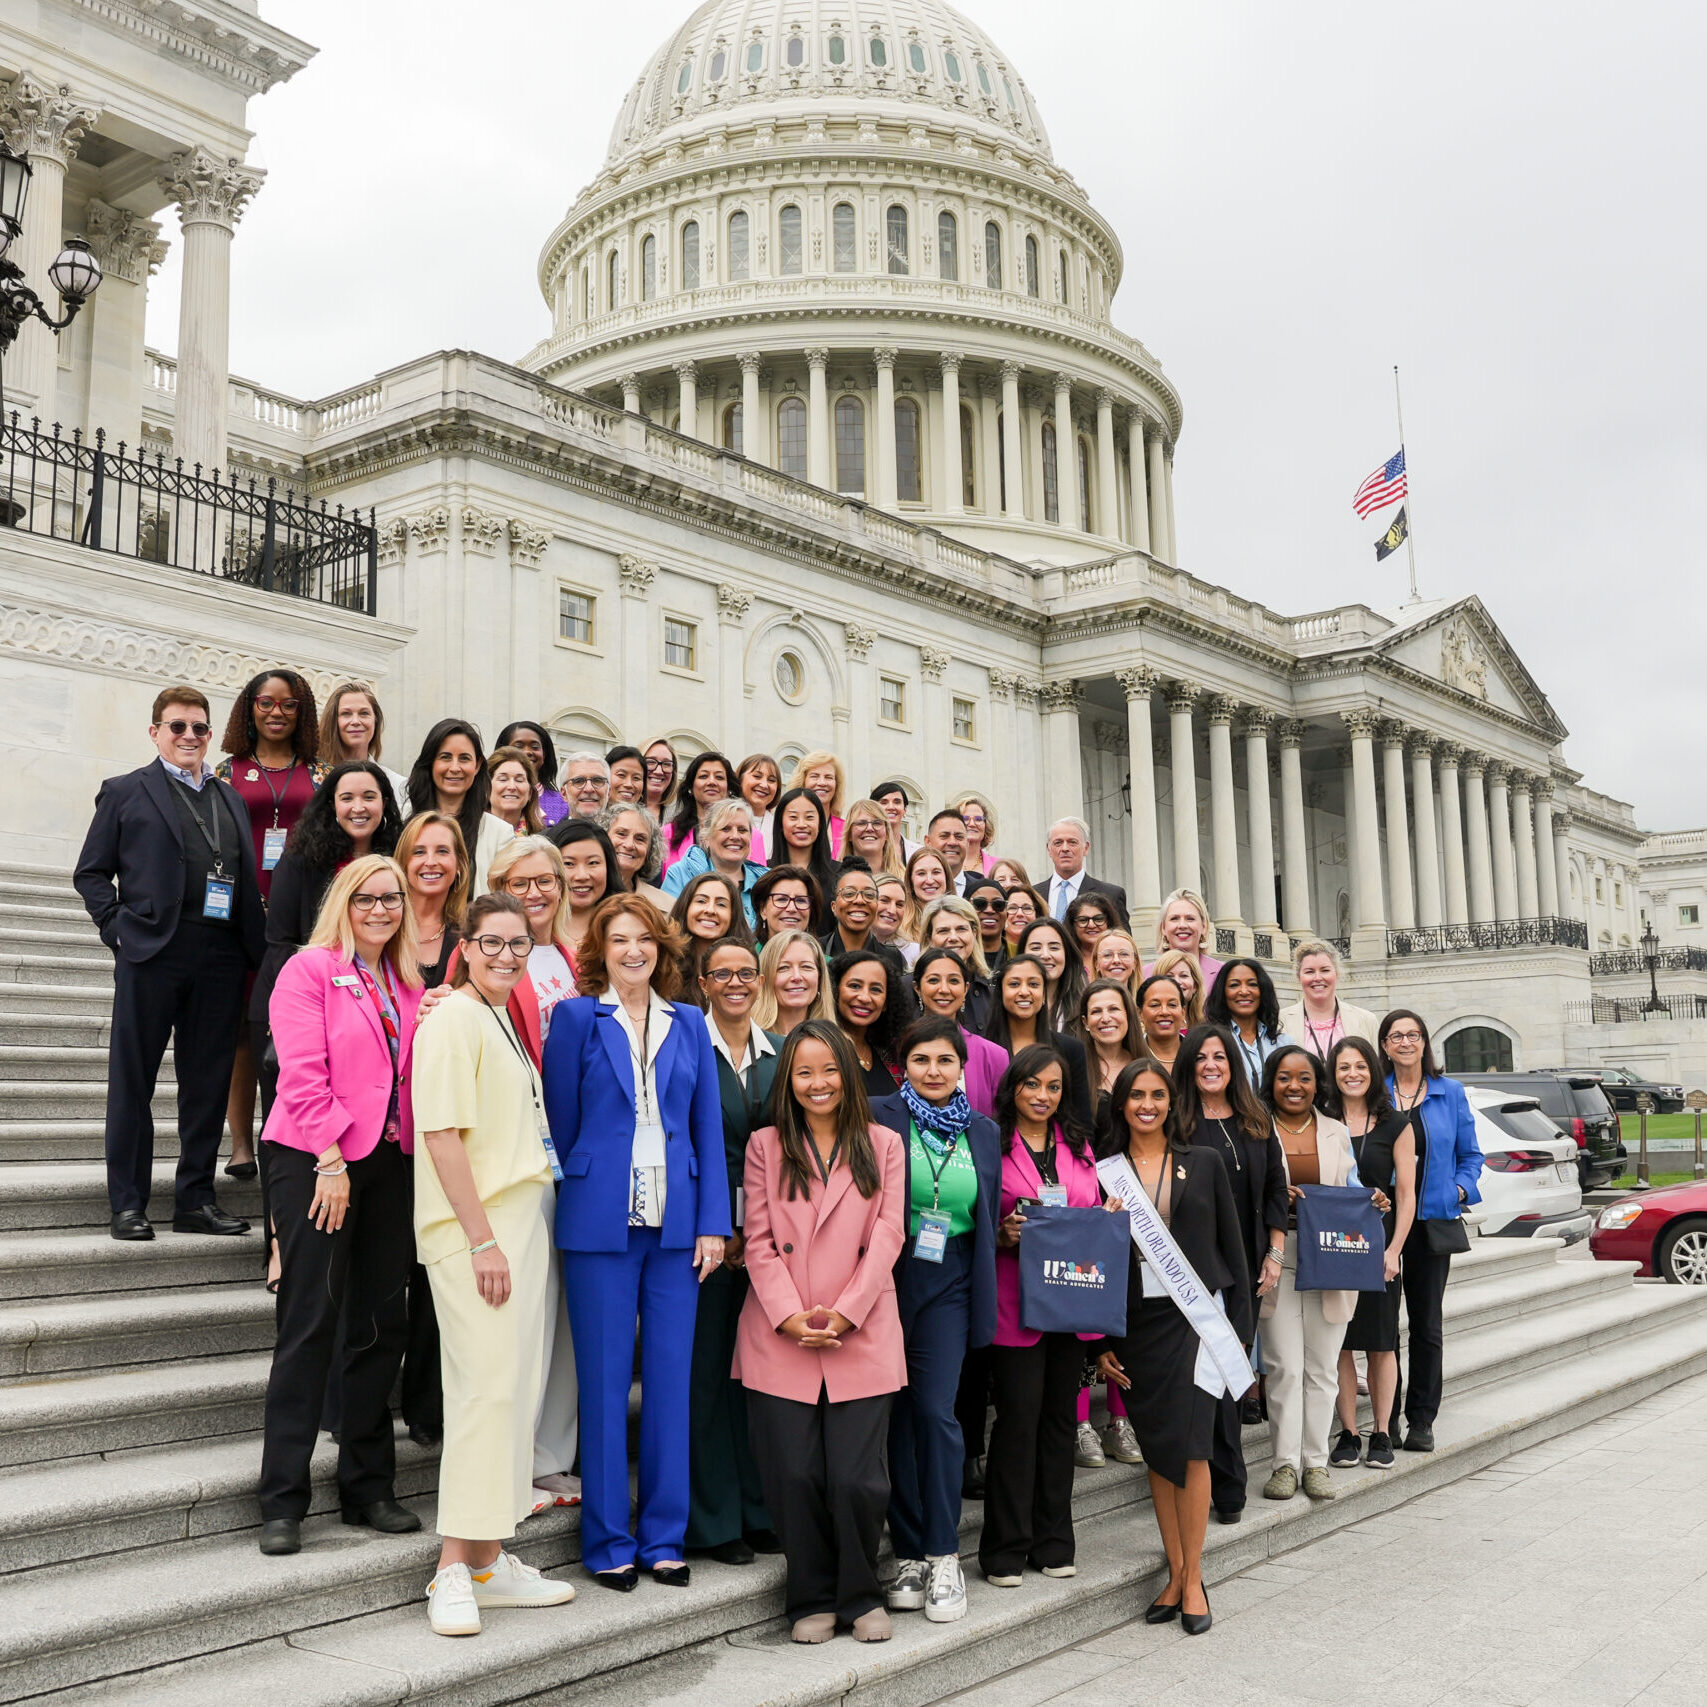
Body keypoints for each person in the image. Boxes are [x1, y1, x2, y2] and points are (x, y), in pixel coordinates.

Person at [541, 895, 730, 1590]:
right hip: (600, 1224)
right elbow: (561, 1124)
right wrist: (584, 1191)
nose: (632, 951)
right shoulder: (574, 1018)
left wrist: (714, 1221)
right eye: (618, 939)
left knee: (671, 1384)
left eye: (644, 939)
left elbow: (706, 1128)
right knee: (603, 1381)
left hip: (677, 1228)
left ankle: (663, 1536)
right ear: (601, 948)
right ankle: (607, 1539)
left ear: (662, 948)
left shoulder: (689, 1022)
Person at [411, 893, 577, 1635]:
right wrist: (480, 1240)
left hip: (521, 1216)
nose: (507, 954)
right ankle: (451, 1567)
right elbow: (441, 1134)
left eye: (519, 943)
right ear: (466, 946)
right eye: (492, 942)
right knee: (483, 1392)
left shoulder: (501, 1016)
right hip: (478, 1226)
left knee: (512, 1392)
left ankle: (488, 1559)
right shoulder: (451, 1017)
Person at [256, 855, 423, 1556]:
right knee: (311, 1319)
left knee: (381, 1324)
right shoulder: (309, 970)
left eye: (393, 898)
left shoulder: (412, 984)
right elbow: (299, 1073)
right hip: (314, 1158)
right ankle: (283, 1497)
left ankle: (367, 1486)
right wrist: (329, 1159)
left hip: (390, 1164)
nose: (381, 909)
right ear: (344, 902)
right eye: (368, 897)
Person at [735, 1021, 907, 1644]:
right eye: (803, 1072)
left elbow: (888, 1234)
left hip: (859, 1327)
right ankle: (808, 1593)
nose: (818, 1083)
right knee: (795, 1474)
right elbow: (756, 1241)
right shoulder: (765, 1146)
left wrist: (847, 1311)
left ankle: (861, 1593)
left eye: (829, 1070)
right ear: (788, 1079)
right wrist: (788, 1314)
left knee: (859, 1479)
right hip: (781, 1330)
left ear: (848, 1074)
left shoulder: (884, 1143)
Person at [74, 686, 264, 1241]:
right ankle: (128, 1204)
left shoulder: (229, 798)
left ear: (210, 736)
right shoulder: (124, 791)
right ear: (155, 732)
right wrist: (118, 929)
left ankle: (195, 1201)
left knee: (206, 1084)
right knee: (133, 1081)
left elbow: (246, 877)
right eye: (177, 726)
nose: (188, 736)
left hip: (220, 957)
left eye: (199, 728)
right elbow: (90, 873)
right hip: (151, 952)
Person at [1095, 1059, 1251, 1636]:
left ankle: (1193, 1579)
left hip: (1196, 1321)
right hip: (1138, 1327)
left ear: (1171, 1102)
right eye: (1136, 1095)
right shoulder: (1104, 1174)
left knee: (1190, 1447)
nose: (1147, 1105)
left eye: (1157, 1095)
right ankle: (1176, 1570)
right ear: (1122, 1105)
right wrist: (1103, 1343)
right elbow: (1097, 1266)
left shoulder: (1203, 1162)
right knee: (1161, 1451)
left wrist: (1240, 1326)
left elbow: (1231, 1248)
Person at [870, 1018, 1000, 1626]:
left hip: (950, 1276)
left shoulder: (984, 1131)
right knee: (894, 1412)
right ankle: (909, 1551)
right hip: (885, 1276)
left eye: (945, 1060)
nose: (933, 1071)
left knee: (935, 1412)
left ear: (962, 1066)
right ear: (905, 1066)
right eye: (920, 1059)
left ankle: (944, 1553)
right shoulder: (880, 1116)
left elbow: (988, 1213)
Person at [485, 836, 585, 1514]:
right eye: (523, 881)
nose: (540, 890)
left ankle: (550, 1455)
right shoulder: (497, 958)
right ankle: (509, 1458)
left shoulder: (575, 958)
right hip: (520, 1148)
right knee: (524, 1314)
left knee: (564, 1315)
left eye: (548, 878)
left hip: (572, 1150)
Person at [980, 1045, 1102, 1586]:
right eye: (1033, 1085)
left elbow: (1091, 1208)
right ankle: (1005, 1547)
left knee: (1058, 1423)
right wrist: (1000, 1233)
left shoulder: (1079, 1146)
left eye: (1053, 1087)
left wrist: (1103, 1219)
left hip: (1071, 1304)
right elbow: (976, 1215)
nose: (1043, 1096)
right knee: (1017, 1423)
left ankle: (1054, 1542)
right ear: (1014, 1087)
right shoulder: (991, 1142)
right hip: (1016, 1306)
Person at [688, 937, 782, 1564]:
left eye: (746, 972)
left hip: (771, 1242)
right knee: (706, 1380)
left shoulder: (782, 1055)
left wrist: (764, 1232)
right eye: (722, 973)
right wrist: (722, 1226)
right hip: (706, 1239)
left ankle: (759, 1508)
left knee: (759, 1380)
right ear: (703, 982)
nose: (736, 983)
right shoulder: (687, 1047)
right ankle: (714, 1520)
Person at [1173, 1025, 1287, 1525]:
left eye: (1220, 1056)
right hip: (1196, 1269)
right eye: (1201, 1058)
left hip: (1247, 1265)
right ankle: (1225, 1483)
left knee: (1234, 1370)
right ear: (1188, 1066)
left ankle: (1227, 1476)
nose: (1211, 1065)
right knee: (1209, 1375)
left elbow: (1276, 1190)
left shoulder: (1256, 1119)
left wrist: (1275, 1252)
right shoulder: (1177, 1122)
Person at [215, 668, 328, 1176]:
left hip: (301, 922)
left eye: (288, 704)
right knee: (241, 1032)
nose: (276, 712)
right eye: (266, 702)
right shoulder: (226, 772)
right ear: (249, 708)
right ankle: (241, 1143)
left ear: (301, 711)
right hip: (239, 918)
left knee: (294, 1035)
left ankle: (288, 1137)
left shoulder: (321, 774)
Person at [252, 762, 402, 1123]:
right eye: (346, 798)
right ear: (331, 804)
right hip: (304, 1002)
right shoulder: (301, 858)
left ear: (384, 803)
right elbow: (280, 940)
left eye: (369, 797)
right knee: (295, 1120)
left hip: (375, 1006)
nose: (358, 807)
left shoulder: (399, 858)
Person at [1256, 1045, 1371, 1503]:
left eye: (1304, 1077)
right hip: (1277, 1255)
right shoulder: (1256, 1129)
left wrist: (1371, 1200)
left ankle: (1316, 1463)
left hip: (1331, 1256)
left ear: (1317, 1083)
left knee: (1322, 1367)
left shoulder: (1337, 1132)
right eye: (1285, 1077)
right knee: (1283, 1365)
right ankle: (1284, 1464)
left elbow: (1353, 1187)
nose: (1294, 1086)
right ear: (1272, 1082)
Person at [1380, 1008, 1482, 1455]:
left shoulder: (1450, 1092)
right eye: (1396, 1035)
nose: (1405, 1042)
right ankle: (1385, 1419)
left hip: (1432, 1223)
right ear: (1384, 1045)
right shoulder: (1374, 1092)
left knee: (1426, 1324)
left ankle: (1421, 1418)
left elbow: (1471, 1155)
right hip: (1381, 1225)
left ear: (1425, 1042)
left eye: (1413, 1035)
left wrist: (1459, 1188)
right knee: (1384, 1326)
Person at [1324, 1036, 1417, 1473]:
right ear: (1334, 1073)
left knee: (1381, 1344)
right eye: (1343, 1067)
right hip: (1335, 1247)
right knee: (1341, 1344)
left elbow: (1405, 1193)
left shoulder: (1397, 1124)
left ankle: (1381, 1431)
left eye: (1360, 1066)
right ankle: (1348, 1432)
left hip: (1380, 1247)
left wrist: (1395, 1248)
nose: (1352, 1074)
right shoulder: (1322, 1119)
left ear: (1372, 1070)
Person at [983, 954, 1092, 1132]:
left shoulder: (1071, 1050)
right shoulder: (983, 1049)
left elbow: (1080, 1120)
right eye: (1014, 984)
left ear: (1043, 995)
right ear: (1000, 992)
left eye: (1033, 984)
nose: (1024, 991)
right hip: (996, 1149)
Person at [406, 720, 512, 894]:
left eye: (464, 758)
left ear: (477, 765)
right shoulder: (405, 823)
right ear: (431, 762)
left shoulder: (500, 834)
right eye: (445, 757)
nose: (455, 768)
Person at [912, 947, 1009, 1119]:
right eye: (933, 980)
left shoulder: (994, 1055)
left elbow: (1000, 1125)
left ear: (965, 989)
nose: (944, 989)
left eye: (953, 981)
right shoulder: (898, 1046)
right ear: (917, 988)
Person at [662, 797, 765, 922]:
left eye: (742, 830)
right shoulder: (680, 874)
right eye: (725, 829)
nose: (735, 836)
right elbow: (668, 927)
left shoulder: (765, 882)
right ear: (706, 838)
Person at [399, 810, 469, 993]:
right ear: (403, 864)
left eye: (442, 851)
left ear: (459, 865)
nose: (430, 861)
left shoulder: (471, 933)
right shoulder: (380, 923)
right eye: (419, 852)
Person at [1278, 938, 1380, 1061]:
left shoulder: (1366, 1020)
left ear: (1336, 974)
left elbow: (1376, 1071)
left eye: (1325, 970)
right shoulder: (1280, 1022)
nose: (1318, 977)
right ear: (1299, 976)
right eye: (1309, 971)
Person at [320, 682, 410, 811]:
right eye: (346, 713)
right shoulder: (312, 777)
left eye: (364, 713)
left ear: (375, 720)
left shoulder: (398, 785)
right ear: (333, 721)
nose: (356, 721)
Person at [830, 948, 908, 1096]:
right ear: (835, 990)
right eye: (855, 986)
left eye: (876, 990)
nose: (865, 997)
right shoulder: (821, 1048)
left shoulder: (890, 1053)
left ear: (886, 1002)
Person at [1207, 959, 1294, 1087]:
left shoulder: (1283, 1043)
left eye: (1252, 984)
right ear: (1222, 992)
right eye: (1234, 985)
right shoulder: (1211, 1042)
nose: (1244, 991)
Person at [671, 871, 755, 998]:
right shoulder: (664, 967)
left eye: (721, 904)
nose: (710, 910)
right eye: (701, 901)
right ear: (685, 907)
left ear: (733, 915)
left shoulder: (750, 970)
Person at [548, 818, 620, 961]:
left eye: (593, 863)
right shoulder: (532, 927)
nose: (582, 876)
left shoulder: (626, 923)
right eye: (568, 864)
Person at [920, 895, 993, 1030]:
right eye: (943, 931)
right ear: (929, 938)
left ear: (974, 933)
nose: (953, 937)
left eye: (961, 929)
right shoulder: (906, 987)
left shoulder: (990, 990)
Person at [1042, 818, 1129, 929]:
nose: (1064, 848)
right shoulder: (1034, 894)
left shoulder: (1111, 895)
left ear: (1086, 848)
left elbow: (1123, 942)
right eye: (1058, 843)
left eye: (1072, 842)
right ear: (1048, 849)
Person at [1075, 979, 1142, 1111]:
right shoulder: (1074, 1069)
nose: (1105, 1018)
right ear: (1085, 1023)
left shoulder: (1147, 1064)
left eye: (1114, 1009)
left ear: (1128, 1015)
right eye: (1096, 1011)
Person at [767, 785, 839, 906]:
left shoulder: (839, 873)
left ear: (820, 823)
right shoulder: (764, 872)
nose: (801, 824)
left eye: (809, 817)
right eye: (793, 817)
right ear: (780, 823)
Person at [664, 750, 734, 872]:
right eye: (703, 776)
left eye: (719, 777)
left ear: (729, 789)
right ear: (690, 787)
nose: (712, 782)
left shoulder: (751, 836)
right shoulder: (668, 833)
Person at [753, 929, 834, 1035]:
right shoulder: (746, 1039)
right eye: (784, 968)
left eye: (806, 967)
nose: (797, 977)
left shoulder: (838, 1044)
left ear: (820, 976)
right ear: (765, 978)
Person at [1016, 917, 1087, 1034]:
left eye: (1054, 948)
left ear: (1066, 954)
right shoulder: (1008, 1003)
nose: (1045, 955)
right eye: (1036, 948)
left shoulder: (1086, 1005)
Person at [1145, 888, 1222, 990]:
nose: (1182, 925)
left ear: (1204, 927)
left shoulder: (1223, 972)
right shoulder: (1145, 975)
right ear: (1163, 928)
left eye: (1190, 918)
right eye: (1174, 919)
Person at [602, 802, 672, 911]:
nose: (629, 845)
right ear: (602, 837)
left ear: (650, 851)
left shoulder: (667, 906)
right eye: (621, 834)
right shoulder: (578, 895)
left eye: (640, 839)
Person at [496, 723, 568, 826]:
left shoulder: (562, 804)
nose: (527, 752)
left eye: (534, 747)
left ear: (544, 755)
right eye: (518, 747)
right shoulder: (486, 798)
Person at [788, 750, 847, 856]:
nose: (822, 783)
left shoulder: (846, 829)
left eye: (828, 777)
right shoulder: (787, 824)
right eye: (815, 776)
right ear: (803, 781)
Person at [899, 846, 952, 958]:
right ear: (910, 881)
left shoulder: (963, 920)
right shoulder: (898, 927)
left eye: (936, 872)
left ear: (946, 877)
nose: (929, 880)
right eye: (921, 873)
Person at [752, 864, 823, 941]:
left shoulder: (819, 953)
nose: (792, 908)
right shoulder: (746, 953)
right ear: (763, 909)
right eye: (782, 899)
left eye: (800, 900)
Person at [1135, 972, 1188, 1073]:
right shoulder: (1131, 1056)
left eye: (1172, 1005)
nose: (1164, 1012)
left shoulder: (1199, 1054)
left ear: (1183, 1012)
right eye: (1155, 1005)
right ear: (1140, 1013)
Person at [487, 747, 544, 838]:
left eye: (519, 780)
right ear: (486, 788)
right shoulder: (468, 832)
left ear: (530, 792)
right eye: (503, 779)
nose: (512, 787)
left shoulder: (543, 839)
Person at [735, 752, 782, 862]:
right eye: (757, 776)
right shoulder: (721, 820)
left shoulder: (781, 828)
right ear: (740, 779)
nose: (764, 785)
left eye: (771, 780)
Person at [843, 798, 905, 878]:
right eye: (861, 823)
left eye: (877, 823)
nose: (869, 828)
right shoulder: (834, 879)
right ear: (849, 835)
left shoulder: (906, 879)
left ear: (887, 834)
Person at [1066, 892, 1118, 979]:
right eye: (1083, 920)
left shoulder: (1121, 957)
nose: (1091, 925)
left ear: (1108, 921)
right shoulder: (1066, 960)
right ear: (1073, 925)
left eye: (1098, 919)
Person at [1153, 948, 1207, 1029]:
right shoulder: (1146, 1028)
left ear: (1195, 985)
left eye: (1184, 976)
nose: (1177, 981)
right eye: (1169, 976)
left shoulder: (1208, 1027)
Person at [965, 877, 1008, 971]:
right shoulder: (958, 957)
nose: (989, 910)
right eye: (979, 903)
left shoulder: (1019, 955)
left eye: (998, 904)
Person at [923, 809, 970, 895]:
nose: (952, 842)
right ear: (928, 842)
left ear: (967, 843)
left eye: (959, 837)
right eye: (944, 836)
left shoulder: (981, 890)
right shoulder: (911, 890)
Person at [951, 792, 998, 878]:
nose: (972, 824)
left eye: (978, 819)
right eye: (965, 818)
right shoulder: (943, 863)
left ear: (986, 826)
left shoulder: (998, 866)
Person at [558, 751, 611, 823]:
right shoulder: (548, 834)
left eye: (597, 780)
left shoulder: (626, 833)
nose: (589, 789)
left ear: (608, 792)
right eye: (579, 781)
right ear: (564, 793)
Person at [1000, 884, 1046, 959]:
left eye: (1027, 908)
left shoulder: (1046, 954)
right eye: (1012, 908)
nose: (1020, 914)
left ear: (1037, 915)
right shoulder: (989, 952)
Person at [1093, 928, 1142, 997]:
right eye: (1107, 955)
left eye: (1124, 954)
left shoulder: (1145, 1005)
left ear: (1135, 963)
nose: (1116, 960)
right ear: (1096, 964)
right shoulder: (1086, 1005)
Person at [642, 738, 678, 817]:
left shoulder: (682, 814)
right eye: (651, 762)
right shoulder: (620, 808)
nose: (659, 771)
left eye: (666, 764)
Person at [872, 874, 908, 948]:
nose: (892, 911)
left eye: (899, 904)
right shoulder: (844, 944)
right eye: (884, 900)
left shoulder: (913, 952)